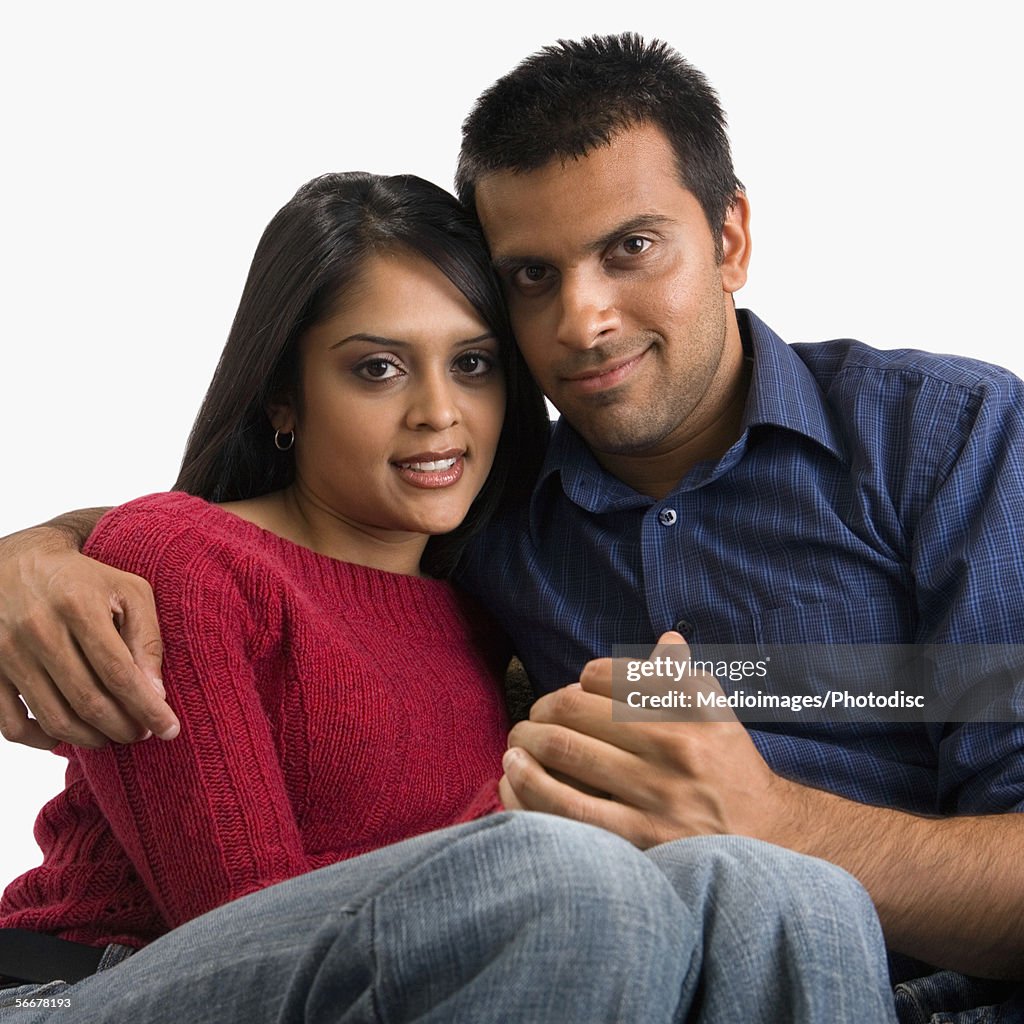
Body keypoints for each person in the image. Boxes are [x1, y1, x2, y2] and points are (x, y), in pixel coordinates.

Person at [1, 31, 999, 1019]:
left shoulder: (942, 440)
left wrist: (774, 819)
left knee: (786, 892)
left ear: (730, 237)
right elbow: (246, 553)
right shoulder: (500, 523)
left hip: (843, 971)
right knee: (583, 881)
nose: (582, 319)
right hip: (127, 978)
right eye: (531, 276)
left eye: (632, 248)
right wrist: (39, 553)